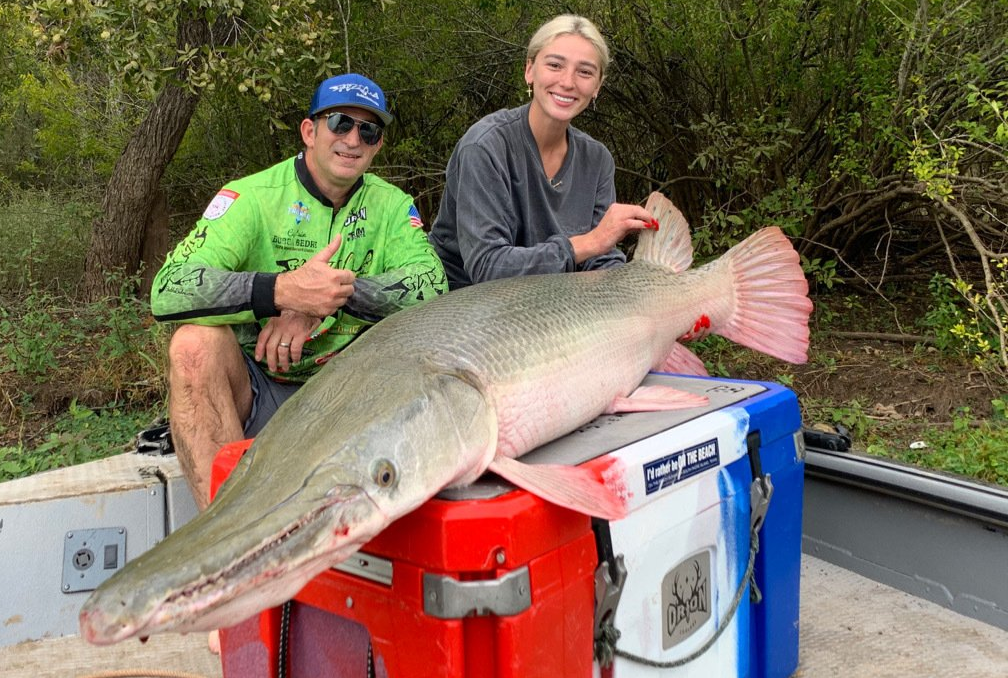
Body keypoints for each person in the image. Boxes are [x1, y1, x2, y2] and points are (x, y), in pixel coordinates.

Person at [151, 73, 447, 510]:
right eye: (341, 123)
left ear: (378, 144)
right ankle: (228, 527)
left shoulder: (392, 206)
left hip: (351, 392)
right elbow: (168, 289)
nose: (353, 139)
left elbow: (433, 287)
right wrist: (282, 291)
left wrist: (329, 298)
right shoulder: (251, 197)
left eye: (369, 130)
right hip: (258, 386)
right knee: (193, 346)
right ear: (310, 131)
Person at [428, 14, 658, 290]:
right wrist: (587, 243)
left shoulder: (597, 159)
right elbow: (487, 267)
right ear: (530, 70)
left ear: (597, 86)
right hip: (464, 306)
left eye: (585, 72)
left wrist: (640, 294)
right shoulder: (485, 146)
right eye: (555, 65)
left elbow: (600, 259)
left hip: (548, 300)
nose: (568, 82)